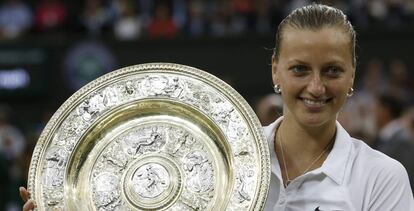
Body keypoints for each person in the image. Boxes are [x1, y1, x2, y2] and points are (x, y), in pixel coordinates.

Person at [20, 4, 414, 211]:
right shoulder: (217, 158)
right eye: (299, 69)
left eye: (332, 70)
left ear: (352, 76)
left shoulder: (381, 178)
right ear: (275, 70)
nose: (315, 86)